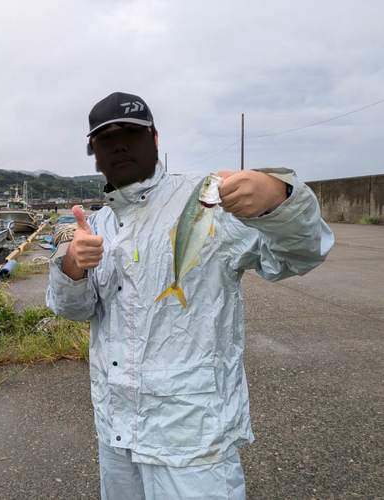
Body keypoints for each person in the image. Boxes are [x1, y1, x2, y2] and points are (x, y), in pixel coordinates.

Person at [46, 92, 334, 499]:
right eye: (106, 139)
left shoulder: (208, 201)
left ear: (156, 139)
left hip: (193, 440)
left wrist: (280, 199)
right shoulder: (96, 223)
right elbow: (74, 311)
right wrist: (73, 267)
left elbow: (301, 255)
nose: (120, 145)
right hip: (116, 434)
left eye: (131, 133)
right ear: (94, 152)